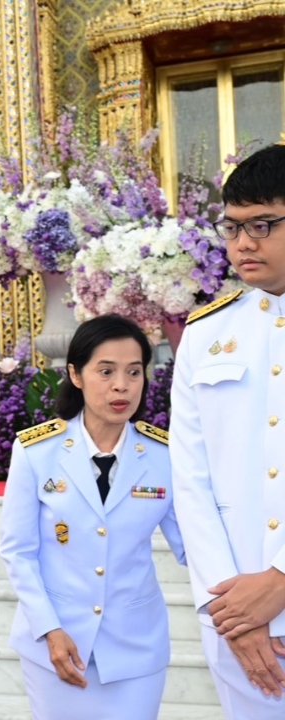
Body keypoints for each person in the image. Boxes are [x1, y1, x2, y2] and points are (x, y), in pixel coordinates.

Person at [0, 314, 185, 720]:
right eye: (106, 371)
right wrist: (49, 630)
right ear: (75, 374)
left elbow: (193, 547)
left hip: (135, 649)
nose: (122, 385)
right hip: (54, 644)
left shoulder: (164, 456)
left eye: (134, 372)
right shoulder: (36, 451)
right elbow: (18, 552)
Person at [171, 143, 285, 717]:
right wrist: (232, 616)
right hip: (236, 621)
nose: (244, 242)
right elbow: (190, 481)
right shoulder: (205, 335)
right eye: (233, 226)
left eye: (263, 224)